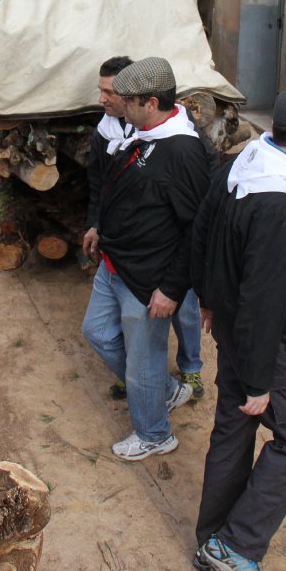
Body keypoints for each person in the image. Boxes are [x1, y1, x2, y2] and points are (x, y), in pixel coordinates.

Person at [192, 89, 286, 571]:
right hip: (269, 349)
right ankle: (239, 544)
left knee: (233, 431)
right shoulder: (283, 207)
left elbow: (204, 227)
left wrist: (207, 296)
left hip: (233, 329)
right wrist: (257, 379)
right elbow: (264, 296)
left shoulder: (245, 159)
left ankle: (211, 542)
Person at [82, 57, 212, 461]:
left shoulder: (183, 152)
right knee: (98, 333)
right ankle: (165, 391)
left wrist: (172, 290)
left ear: (150, 102)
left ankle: (154, 433)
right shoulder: (142, 134)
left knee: (143, 365)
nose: (117, 105)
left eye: (125, 100)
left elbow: (197, 230)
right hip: (115, 266)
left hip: (147, 279)